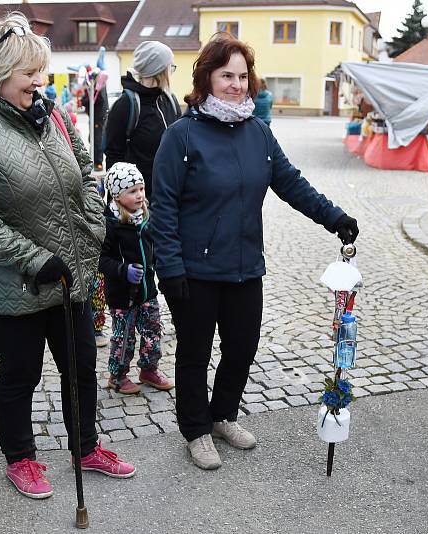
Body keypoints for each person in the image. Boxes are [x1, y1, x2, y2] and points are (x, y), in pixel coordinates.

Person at [0, 13, 134, 500]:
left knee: (81, 367)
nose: (39, 80)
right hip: (19, 284)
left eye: (40, 70)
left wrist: (91, 229)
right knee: (21, 374)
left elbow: (89, 171)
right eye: (28, 72)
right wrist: (33, 258)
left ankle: (85, 446)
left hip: (72, 275)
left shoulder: (58, 118)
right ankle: (21, 458)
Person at [150, 34, 359, 470]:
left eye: (242, 76)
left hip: (246, 267)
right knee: (194, 354)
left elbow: (291, 183)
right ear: (206, 77)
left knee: (242, 347)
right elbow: (164, 207)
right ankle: (196, 430)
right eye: (226, 75)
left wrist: (334, 217)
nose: (236, 84)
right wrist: (169, 269)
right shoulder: (181, 136)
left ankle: (223, 414)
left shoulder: (258, 133)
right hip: (195, 271)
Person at [99, 162, 172, 394]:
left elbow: (156, 249)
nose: (140, 195)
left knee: (152, 330)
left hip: (147, 290)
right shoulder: (110, 224)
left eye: (141, 189)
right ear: (118, 196)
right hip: (122, 296)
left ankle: (149, 369)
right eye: (132, 191)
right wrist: (123, 270)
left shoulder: (146, 218)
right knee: (124, 338)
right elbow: (101, 260)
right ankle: (117, 375)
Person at [104, 40, 181, 202]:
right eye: (170, 66)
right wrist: (118, 202)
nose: (172, 71)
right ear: (159, 70)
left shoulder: (170, 101)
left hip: (168, 197)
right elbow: (113, 155)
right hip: (136, 203)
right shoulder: (126, 104)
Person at [80, 85, 107, 170]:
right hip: (93, 117)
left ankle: (98, 163)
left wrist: (86, 100)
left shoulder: (99, 87)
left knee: (97, 139)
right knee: (92, 139)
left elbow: (100, 100)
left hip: (97, 118)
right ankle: (94, 160)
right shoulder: (93, 87)